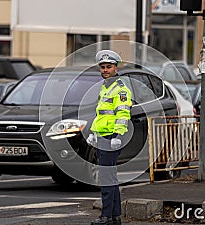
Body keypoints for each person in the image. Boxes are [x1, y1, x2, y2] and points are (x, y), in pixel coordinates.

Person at [87, 50, 132, 225]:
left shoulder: (120, 89)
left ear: (116, 67)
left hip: (111, 138)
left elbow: (123, 113)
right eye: (103, 67)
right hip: (103, 136)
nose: (105, 70)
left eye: (109, 67)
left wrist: (118, 135)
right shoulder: (106, 87)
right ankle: (114, 216)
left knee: (106, 178)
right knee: (110, 178)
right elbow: (102, 115)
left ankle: (105, 216)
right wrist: (93, 132)